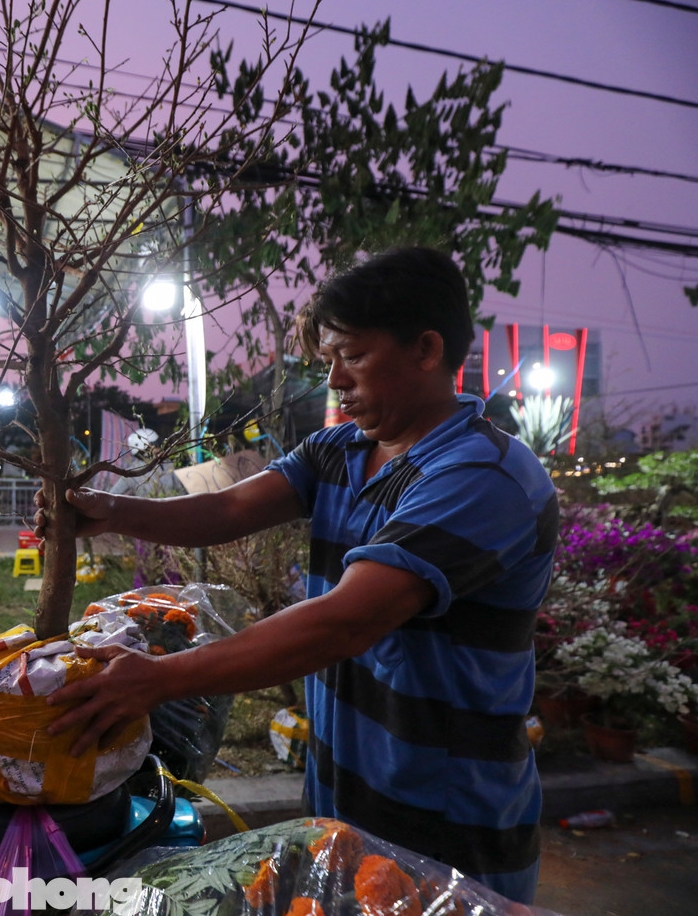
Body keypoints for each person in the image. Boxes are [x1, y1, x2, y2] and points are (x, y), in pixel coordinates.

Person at [35, 247, 557, 904]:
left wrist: (159, 680)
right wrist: (110, 511)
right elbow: (229, 508)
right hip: (343, 804)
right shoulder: (342, 451)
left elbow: (345, 621)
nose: (334, 379)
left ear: (427, 349)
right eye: (329, 359)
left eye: (353, 355)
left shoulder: (482, 477)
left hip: (451, 832)